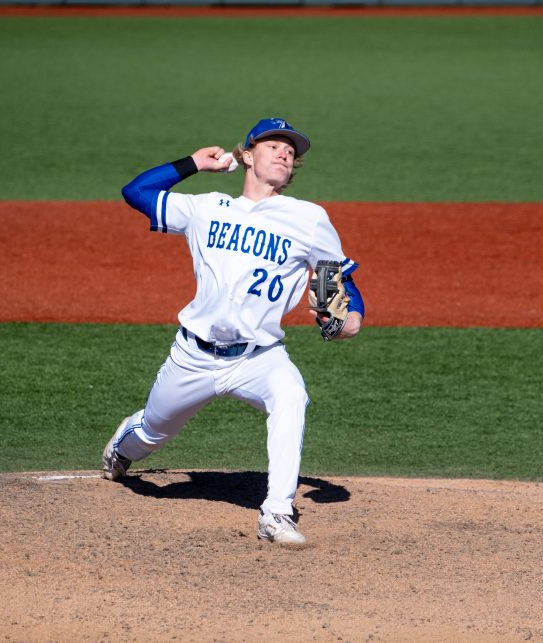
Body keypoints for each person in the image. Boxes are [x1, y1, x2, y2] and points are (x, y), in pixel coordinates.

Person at [103, 118, 365, 545]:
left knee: (291, 396)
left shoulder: (309, 219)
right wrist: (192, 163)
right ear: (247, 155)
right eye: (274, 144)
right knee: (152, 432)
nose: (285, 153)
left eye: (291, 150)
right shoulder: (207, 207)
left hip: (258, 358)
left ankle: (277, 513)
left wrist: (347, 323)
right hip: (193, 356)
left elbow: (340, 288)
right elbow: (136, 193)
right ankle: (122, 446)